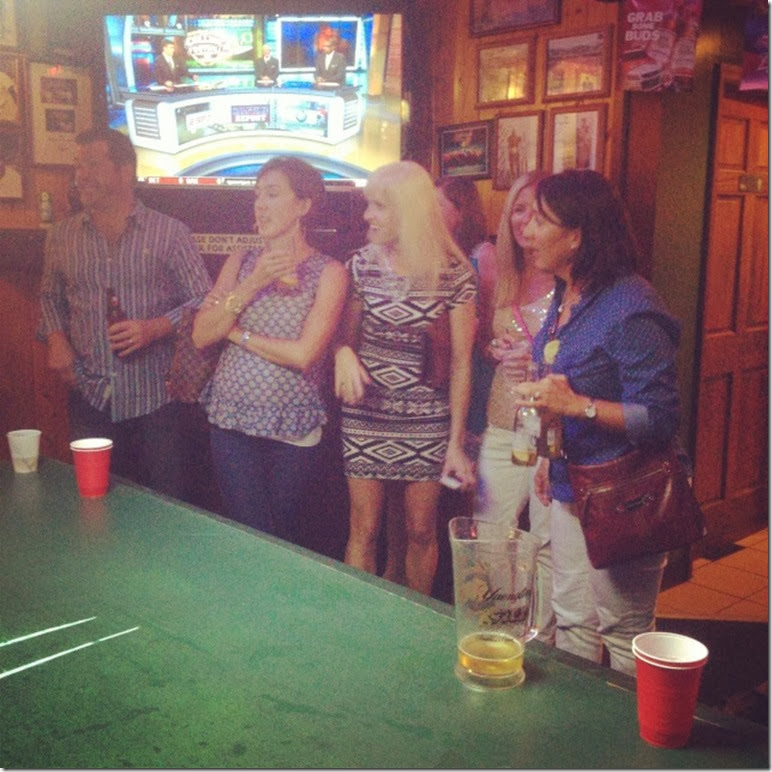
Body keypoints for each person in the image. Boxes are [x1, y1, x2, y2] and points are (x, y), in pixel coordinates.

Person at [514, 169, 682, 675]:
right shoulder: (568, 295)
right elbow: (566, 378)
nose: (526, 231)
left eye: (540, 221)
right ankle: (575, 722)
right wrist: (550, 455)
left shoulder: (631, 305)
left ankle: (633, 728)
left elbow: (659, 418)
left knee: (625, 635)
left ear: (576, 235)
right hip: (573, 483)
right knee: (572, 621)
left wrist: (578, 406)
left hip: (624, 494)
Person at [39, 127, 212, 499]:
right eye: (78, 165)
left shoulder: (171, 233)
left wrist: (155, 327)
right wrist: (56, 340)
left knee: (166, 506)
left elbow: (204, 300)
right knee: (96, 501)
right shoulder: (61, 236)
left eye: (93, 164)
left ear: (126, 171)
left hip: (155, 399)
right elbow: (50, 297)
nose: (82, 175)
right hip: (89, 393)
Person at [334, 160, 477, 595]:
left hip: (426, 420)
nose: (367, 216)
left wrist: (455, 443)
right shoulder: (359, 266)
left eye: (379, 206)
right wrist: (342, 352)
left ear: (409, 211)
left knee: (420, 530)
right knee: (364, 529)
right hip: (366, 416)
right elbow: (343, 338)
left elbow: (461, 363)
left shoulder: (454, 273)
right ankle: (358, 619)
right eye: (369, 205)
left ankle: (416, 618)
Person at [192, 156, 348, 543]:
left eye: (273, 194)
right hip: (231, 421)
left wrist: (235, 334)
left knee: (283, 538)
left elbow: (304, 354)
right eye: (257, 195)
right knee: (249, 535)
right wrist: (253, 282)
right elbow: (201, 335)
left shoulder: (329, 272)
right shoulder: (241, 262)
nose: (260, 204)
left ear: (303, 205)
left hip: (293, 426)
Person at [472, 170, 557, 644]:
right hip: (503, 420)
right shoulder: (497, 272)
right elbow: (485, 344)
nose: (525, 221)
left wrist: (540, 361)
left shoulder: (570, 280)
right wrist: (497, 351)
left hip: (552, 429)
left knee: (545, 543)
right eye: (518, 210)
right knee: (490, 536)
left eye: (538, 212)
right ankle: (497, 634)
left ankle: (543, 643)